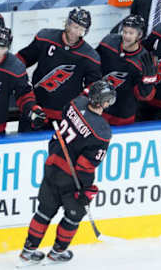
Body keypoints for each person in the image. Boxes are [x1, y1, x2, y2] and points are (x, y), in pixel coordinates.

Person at [18, 80, 115, 265]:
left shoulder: (76, 104)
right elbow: (86, 166)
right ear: (104, 103)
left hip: (52, 164)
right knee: (74, 214)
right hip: (70, 178)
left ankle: (28, 250)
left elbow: (68, 116)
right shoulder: (101, 132)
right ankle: (57, 252)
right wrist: (86, 190)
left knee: (45, 210)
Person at [15, 7, 102, 131]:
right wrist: (18, 81)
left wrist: (77, 108)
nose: (75, 32)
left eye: (81, 30)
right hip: (36, 108)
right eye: (74, 26)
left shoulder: (90, 57)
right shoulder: (45, 38)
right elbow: (22, 59)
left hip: (64, 116)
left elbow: (93, 87)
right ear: (67, 23)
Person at [96, 14, 157, 125]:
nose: (126, 36)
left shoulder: (144, 60)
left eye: (131, 33)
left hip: (123, 113)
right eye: (125, 32)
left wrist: (148, 82)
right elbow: (94, 67)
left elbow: (144, 97)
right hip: (100, 107)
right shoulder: (108, 42)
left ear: (140, 35)